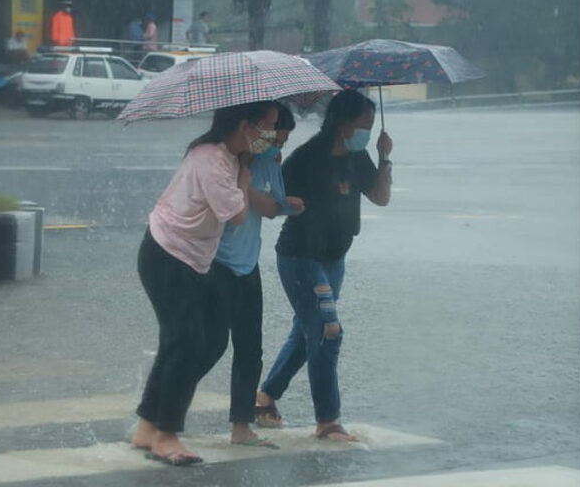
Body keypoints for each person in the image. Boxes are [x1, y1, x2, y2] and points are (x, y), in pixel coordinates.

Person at [131, 101, 280, 466]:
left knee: (209, 340)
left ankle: (148, 425)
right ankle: (166, 435)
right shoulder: (212, 160)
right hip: (167, 254)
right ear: (245, 126)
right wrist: (245, 180)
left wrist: (246, 168)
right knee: (187, 340)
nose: (270, 136)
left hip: (190, 259)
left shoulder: (228, 156)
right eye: (267, 127)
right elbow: (239, 215)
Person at [255, 89, 393, 442]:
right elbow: (272, 198)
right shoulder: (307, 157)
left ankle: (265, 397)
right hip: (301, 258)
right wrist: (287, 203)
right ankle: (328, 421)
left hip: (334, 259)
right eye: (365, 124)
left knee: (308, 333)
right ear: (342, 123)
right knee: (328, 331)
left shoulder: (359, 156)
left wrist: (384, 158)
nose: (368, 130)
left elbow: (380, 197)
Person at [212, 103, 305, 449]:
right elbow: (253, 202)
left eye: (281, 141)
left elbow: (269, 205)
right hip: (214, 262)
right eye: (272, 135)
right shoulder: (225, 158)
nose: (276, 145)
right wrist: (255, 184)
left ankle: (241, 426)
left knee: (250, 348)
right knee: (206, 345)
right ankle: (164, 416)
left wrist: (283, 204)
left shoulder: (268, 160)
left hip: (246, 264)